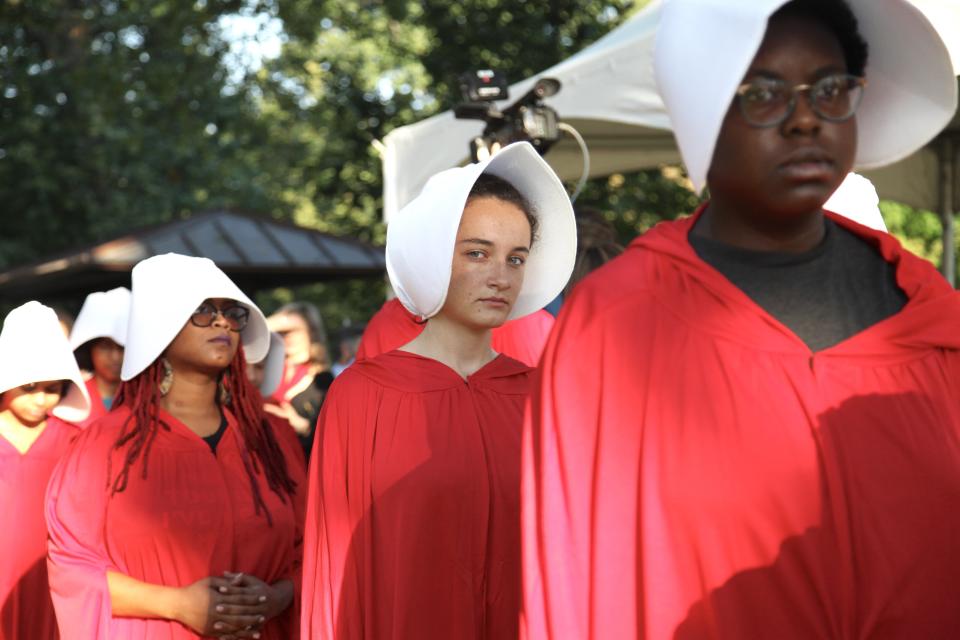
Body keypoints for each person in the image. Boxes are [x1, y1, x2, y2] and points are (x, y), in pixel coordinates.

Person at [522, 0, 960, 638]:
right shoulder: (615, 326)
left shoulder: (934, 323)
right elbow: (573, 584)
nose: (806, 118)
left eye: (831, 88)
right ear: (702, 110)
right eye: (763, 93)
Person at [301, 141, 576, 639]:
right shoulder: (364, 395)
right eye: (477, 253)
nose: (500, 277)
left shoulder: (540, 399)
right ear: (432, 255)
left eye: (516, 259)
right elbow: (335, 564)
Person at [46, 253, 306, 640]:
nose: (221, 322)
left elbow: (312, 552)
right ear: (158, 328)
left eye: (230, 311)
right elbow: (72, 567)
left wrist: (276, 597)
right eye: (202, 310)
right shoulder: (103, 446)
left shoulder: (272, 441)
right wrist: (178, 604)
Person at [0, 301, 90, 640]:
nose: (41, 400)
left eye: (53, 389)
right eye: (29, 387)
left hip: (52, 576)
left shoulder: (73, 441)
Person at [265, 302, 334, 457]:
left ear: (312, 332)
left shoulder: (323, 380)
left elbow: (333, 436)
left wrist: (302, 426)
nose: (287, 336)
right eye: (281, 332)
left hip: (304, 462)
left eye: (294, 331)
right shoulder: (266, 371)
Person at [70, 287, 131, 426]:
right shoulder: (69, 398)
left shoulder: (147, 397)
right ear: (89, 348)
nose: (115, 357)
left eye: (122, 347)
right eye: (105, 347)